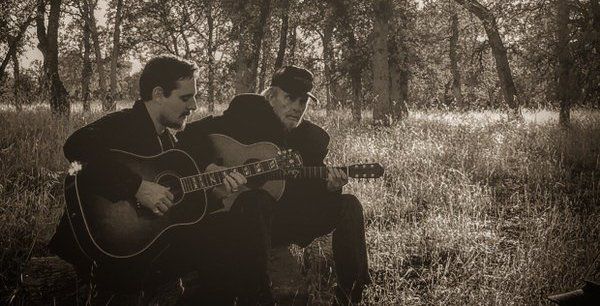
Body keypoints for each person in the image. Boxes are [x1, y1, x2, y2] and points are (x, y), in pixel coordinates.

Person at [49, 55, 250, 304]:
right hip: (100, 247)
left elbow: (177, 213)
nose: (195, 106)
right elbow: (75, 146)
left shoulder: (169, 144)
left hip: (145, 249)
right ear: (158, 94)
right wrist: (137, 187)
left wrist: (218, 194)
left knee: (228, 242)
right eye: (186, 97)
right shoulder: (123, 124)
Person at [177, 66, 371, 305]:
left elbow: (308, 194)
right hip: (240, 221)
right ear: (270, 97)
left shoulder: (311, 139)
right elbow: (187, 137)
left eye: (303, 101)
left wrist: (330, 189)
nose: (297, 108)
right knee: (256, 200)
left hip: (284, 220)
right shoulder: (242, 118)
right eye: (290, 98)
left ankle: (352, 294)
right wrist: (209, 167)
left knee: (348, 205)